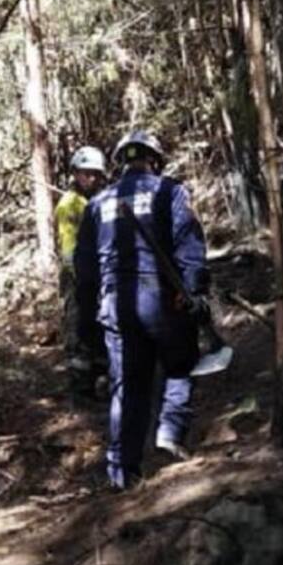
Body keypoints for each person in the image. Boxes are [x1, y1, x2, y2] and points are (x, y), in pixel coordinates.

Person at [73, 130, 209, 490]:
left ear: (120, 163)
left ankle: (121, 472)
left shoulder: (97, 203)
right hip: (162, 297)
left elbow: (84, 271)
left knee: (127, 386)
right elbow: (189, 246)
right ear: (155, 159)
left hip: (114, 304)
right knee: (180, 365)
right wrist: (195, 292)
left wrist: (88, 323)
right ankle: (169, 432)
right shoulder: (171, 192)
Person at [53, 146, 109, 401]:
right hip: (77, 277)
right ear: (75, 173)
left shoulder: (98, 200)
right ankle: (80, 388)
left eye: (96, 174)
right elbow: (69, 248)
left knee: (99, 326)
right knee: (78, 329)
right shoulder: (69, 205)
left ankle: (102, 378)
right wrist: (81, 277)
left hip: (97, 272)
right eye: (87, 173)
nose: (92, 179)